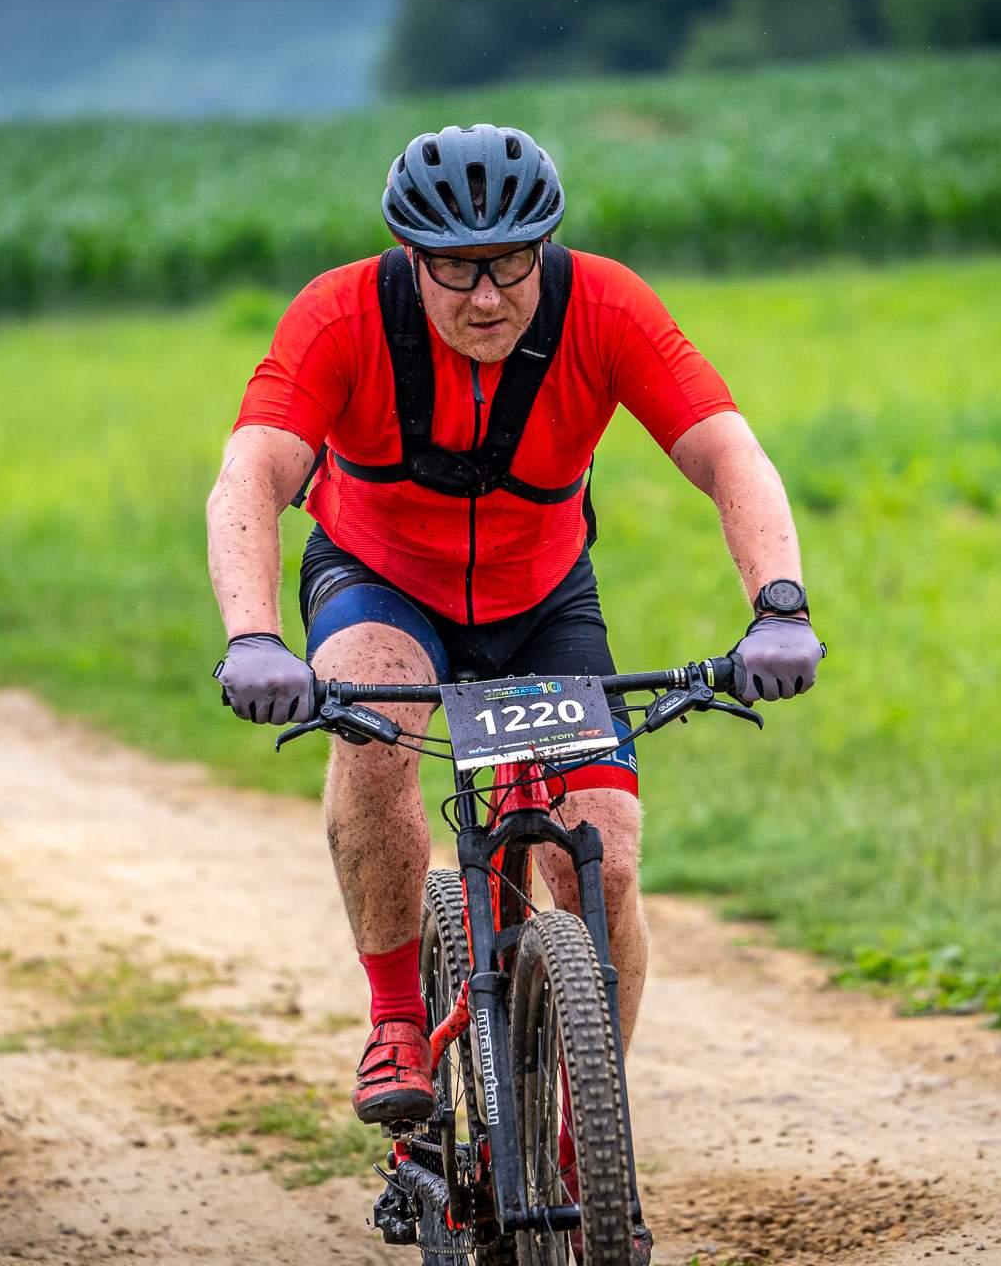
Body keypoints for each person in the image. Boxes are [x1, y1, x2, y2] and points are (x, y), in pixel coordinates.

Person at [207, 123, 821, 1258]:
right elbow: (251, 473)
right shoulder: (339, 316)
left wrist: (778, 604)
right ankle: (399, 1013)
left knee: (606, 857)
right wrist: (253, 637)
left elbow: (728, 450)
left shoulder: (606, 307)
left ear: (546, 247)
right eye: (457, 269)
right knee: (377, 725)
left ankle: (593, 1129)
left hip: (542, 599)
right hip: (379, 582)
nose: (488, 295)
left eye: (511, 263)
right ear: (411, 256)